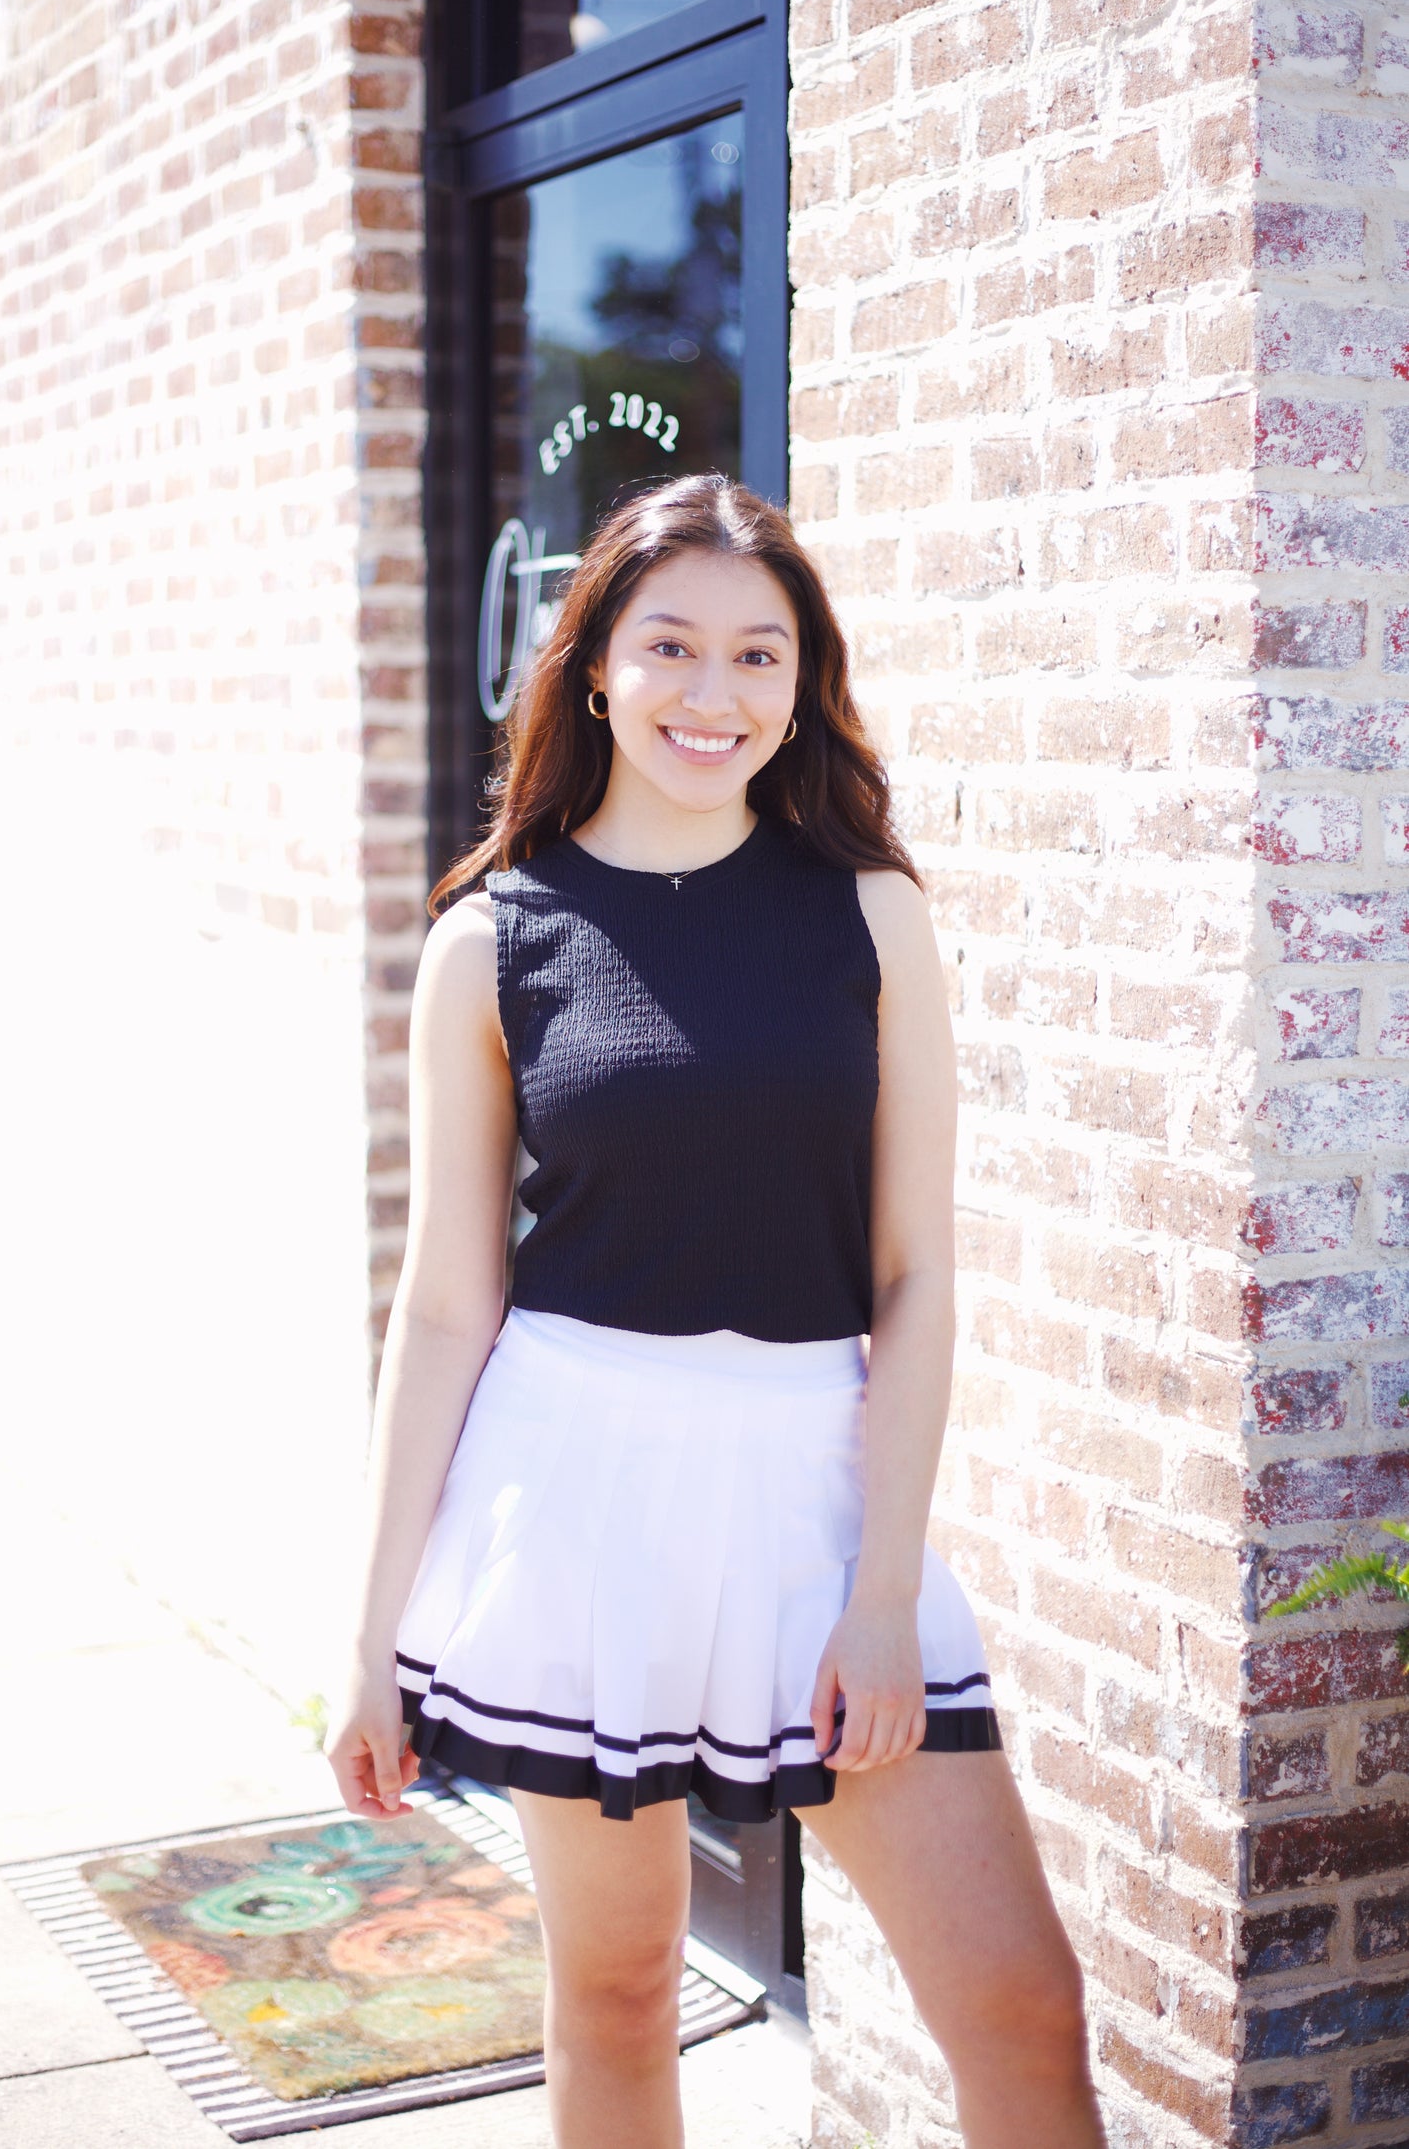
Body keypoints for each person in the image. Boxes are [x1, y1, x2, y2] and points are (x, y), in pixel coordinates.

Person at [325, 475, 1104, 2149]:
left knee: (1023, 2008)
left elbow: (913, 1272)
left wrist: (882, 1591)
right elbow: (447, 1301)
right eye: (668, 644)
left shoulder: (867, 913)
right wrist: (373, 1639)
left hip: (816, 1494)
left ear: (800, 682)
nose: (712, 693)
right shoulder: (493, 937)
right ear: (592, 665)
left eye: (760, 654)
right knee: (615, 1995)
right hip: (577, 1489)